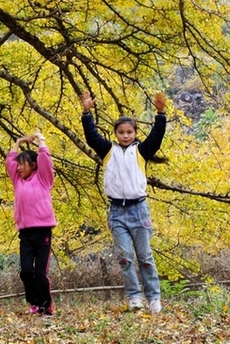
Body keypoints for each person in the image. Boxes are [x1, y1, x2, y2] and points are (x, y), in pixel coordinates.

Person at [79, 91, 167, 314]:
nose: (125, 136)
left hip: (139, 210)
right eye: (121, 132)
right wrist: (86, 112)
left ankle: (154, 297)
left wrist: (160, 113)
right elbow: (91, 137)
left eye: (129, 132)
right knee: (125, 257)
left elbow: (156, 137)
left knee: (145, 257)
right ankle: (134, 297)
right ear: (116, 134)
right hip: (117, 211)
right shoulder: (109, 151)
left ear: (135, 133)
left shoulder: (141, 151)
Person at [5, 132, 57, 317]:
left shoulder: (43, 179)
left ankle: (46, 307)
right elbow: (10, 162)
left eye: (22, 164)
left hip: (43, 232)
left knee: (40, 273)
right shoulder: (18, 181)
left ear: (33, 165)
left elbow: (45, 160)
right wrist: (18, 142)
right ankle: (34, 302)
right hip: (25, 234)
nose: (18, 167)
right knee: (26, 271)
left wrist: (41, 141)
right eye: (18, 164)